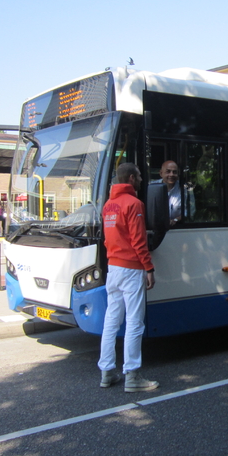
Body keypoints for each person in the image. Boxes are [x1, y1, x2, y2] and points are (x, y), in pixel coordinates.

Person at [98, 162, 159, 392]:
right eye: (140, 176)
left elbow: (107, 239)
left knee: (111, 321)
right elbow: (138, 241)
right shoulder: (134, 204)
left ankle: (107, 372)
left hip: (113, 268)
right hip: (131, 269)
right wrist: (149, 268)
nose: (142, 180)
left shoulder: (108, 206)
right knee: (135, 322)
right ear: (131, 179)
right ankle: (132, 376)